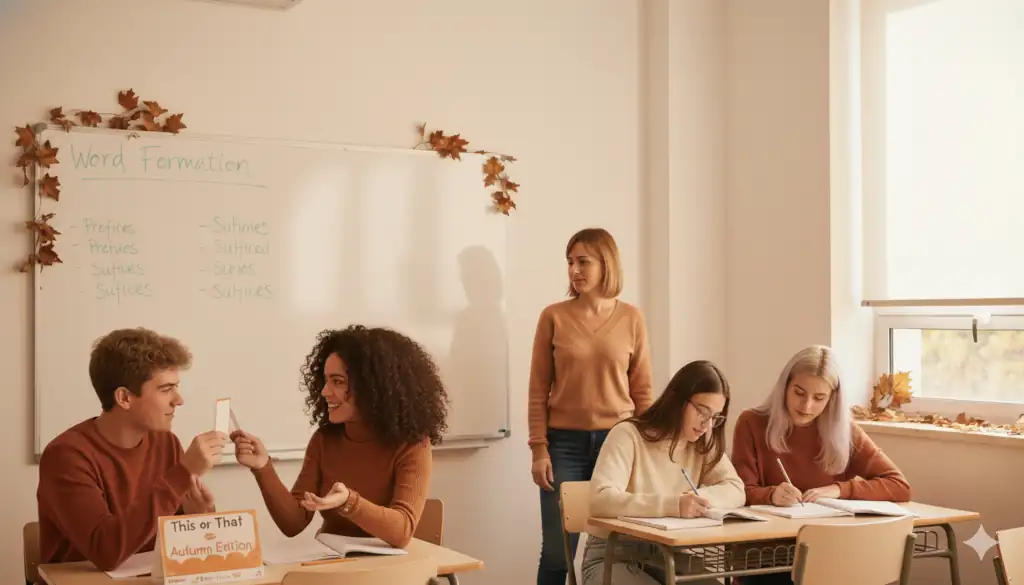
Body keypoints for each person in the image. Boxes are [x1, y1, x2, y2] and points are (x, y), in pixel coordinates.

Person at [231, 325, 449, 548]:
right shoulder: (324, 440)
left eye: (337, 381)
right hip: (335, 568)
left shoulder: (413, 445)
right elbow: (293, 523)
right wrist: (262, 467)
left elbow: (402, 531)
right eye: (325, 380)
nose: (325, 391)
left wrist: (349, 502)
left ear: (372, 387)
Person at [36, 328, 228, 571]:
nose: (178, 400)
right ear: (124, 398)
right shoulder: (66, 456)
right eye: (166, 389)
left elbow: (183, 549)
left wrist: (199, 515)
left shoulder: (165, 443)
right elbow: (105, 551)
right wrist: (182, 473)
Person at [527, 227, 654, 585]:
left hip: (620, 443)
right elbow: (538, 389)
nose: (574, 270)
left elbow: (643, 392)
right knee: (557, 551)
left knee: (620, 546)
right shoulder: (553, 316)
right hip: (563, 444)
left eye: (583, 261)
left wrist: (648, 450)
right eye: (570, 262)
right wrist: (539, 448)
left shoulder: (631, 318)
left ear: (606, 264)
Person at [730, 344, 912, 585]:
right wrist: (772, 495)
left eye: (819, 398)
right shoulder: (751, 423)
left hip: (830, 557)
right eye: (799, 392)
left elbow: (899, 485)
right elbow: (739, 493)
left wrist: (840, 489)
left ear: (832, 398)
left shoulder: (845, 431)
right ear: (784, 386)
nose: (806, 407)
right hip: (766, 559)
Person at [583, 360, 744, 585]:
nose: (707, 425)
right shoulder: (628, 435)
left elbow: (736, 488)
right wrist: (672, 505)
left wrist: (700, 500)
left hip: (669, 555)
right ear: (678, 400)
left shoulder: (702, 442)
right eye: (702, 411)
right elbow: (600, 499)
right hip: (613, 554)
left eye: (716, 417)